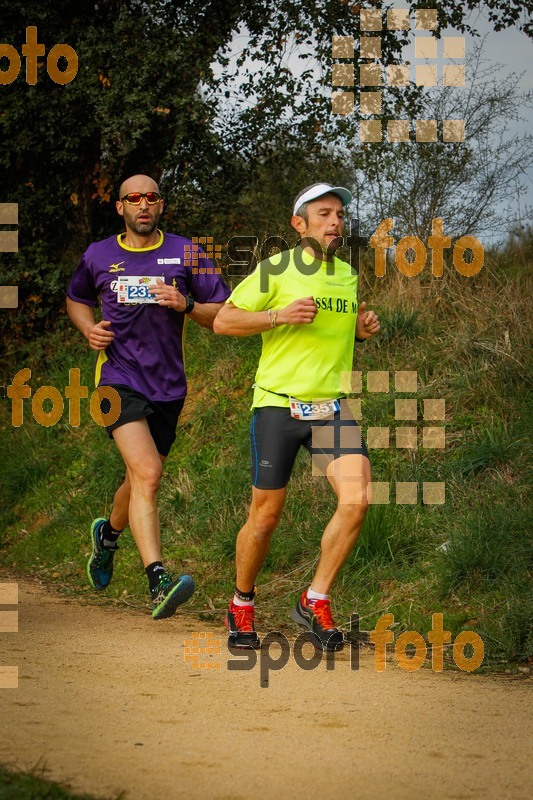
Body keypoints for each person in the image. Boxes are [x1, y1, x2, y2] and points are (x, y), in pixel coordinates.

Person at [214, 182, 380, 650]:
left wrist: (362, 333)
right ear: (298, 223)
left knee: (358, 497)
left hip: (330, 408)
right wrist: (278, 317)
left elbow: (335, 335)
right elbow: (225, 320)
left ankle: (315, 599)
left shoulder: (347, 276)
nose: (335, 222)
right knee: (265, 518)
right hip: (277, 405)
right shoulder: (275, 270)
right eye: (324, 213)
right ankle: (241, 604)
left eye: (340, 215)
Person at [67, 174, 230, 619]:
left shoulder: (187, 252)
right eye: (133, 198)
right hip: (114, 380)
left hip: (168, 388)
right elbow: (76, 298)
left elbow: (223, 312)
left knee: (138, 479)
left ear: (161, 206)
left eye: (151, 197)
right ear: (119, 207)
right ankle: (157, 580)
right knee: (149, 472)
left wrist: (187, 305)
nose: (143, 204)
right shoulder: (98, 255)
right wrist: (88, 328)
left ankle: (108, 538)